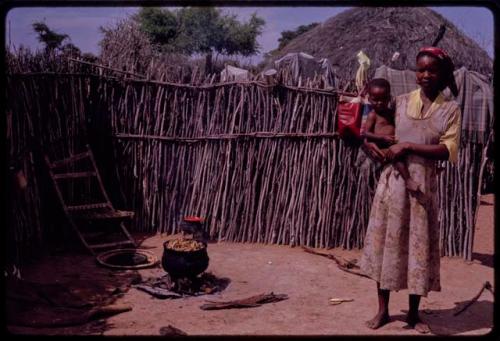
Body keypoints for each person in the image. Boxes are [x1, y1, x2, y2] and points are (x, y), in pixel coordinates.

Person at [359, 46, 461, 334]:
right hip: (394, 184)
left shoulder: (450, 111)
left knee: (417, 249)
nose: (425, 75)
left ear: (442, 74)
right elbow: (380, 130)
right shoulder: (400, 102)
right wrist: (370, 146)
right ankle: (382, 311)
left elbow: (446, 151)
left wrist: (407, 146)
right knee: (385, 247)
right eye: (421, 69)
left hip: (422, 189)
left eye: (431, 70)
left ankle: (414, 314)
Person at [359, 78, 427, 205]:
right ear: (369, 99)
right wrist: (381, 138)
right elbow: (365, 133)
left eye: (383, 99)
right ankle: (408, 180)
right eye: (375, 99)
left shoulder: (392, 112)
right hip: (381, 146)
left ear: (389, 98)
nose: (379, 103)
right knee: (397, 157)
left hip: (393, 143)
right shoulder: (373, 115)